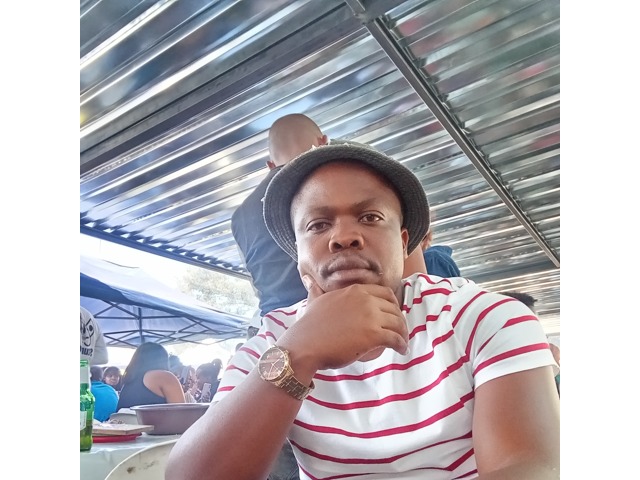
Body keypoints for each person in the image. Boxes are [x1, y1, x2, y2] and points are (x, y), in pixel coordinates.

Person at [166, 141, 560, 479]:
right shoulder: (271, 342)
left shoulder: (485, 318)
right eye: (318, 225)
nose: (344, 236)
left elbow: (530, 467)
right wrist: (298, 353)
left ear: (403, 242)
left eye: (370, 218)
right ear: (298, 254)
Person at [230, 113, 330, 480]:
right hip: (329, 328)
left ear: (269, 164)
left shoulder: (241, 214)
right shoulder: (326, 183)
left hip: (270, 338)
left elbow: (257, 282)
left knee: (280, 450)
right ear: (324, 142)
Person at [116, 342, 186, 410]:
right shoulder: (163, 376)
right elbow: (182, 412)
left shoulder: (128, 381)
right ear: (163, 359)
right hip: (154, 418)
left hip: (123, 418)